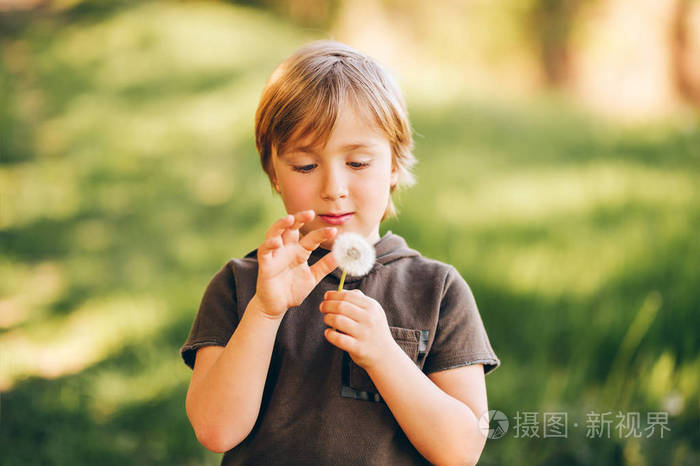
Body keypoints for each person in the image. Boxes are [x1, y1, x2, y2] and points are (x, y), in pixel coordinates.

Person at [180, 40, 500, 465]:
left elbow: (461, 450)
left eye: (358, 163)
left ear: (394, 167)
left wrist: (385, 355)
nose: (333, 188)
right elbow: (215, 430)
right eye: (305, 166)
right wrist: (264, 313)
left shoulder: (437, 291)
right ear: (274, 173)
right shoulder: (242, 286)